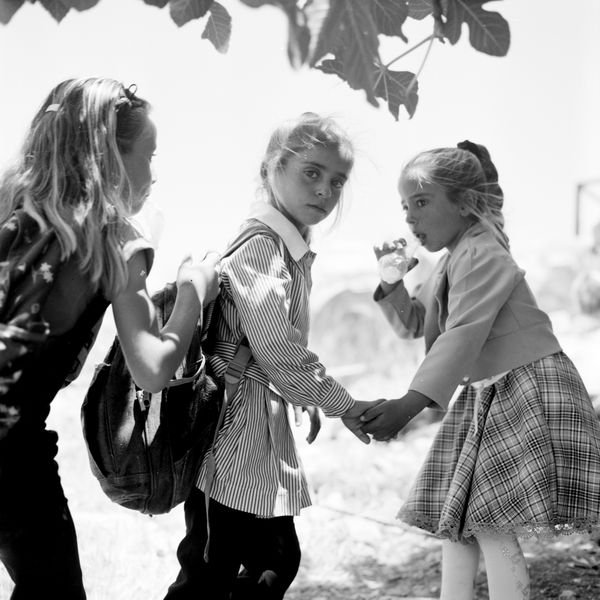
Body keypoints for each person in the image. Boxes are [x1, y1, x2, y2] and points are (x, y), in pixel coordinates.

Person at [0, 77, 220, 600]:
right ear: (109, 158)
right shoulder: (114, 235)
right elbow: (152, 367)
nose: (153, 172)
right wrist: (193, 291)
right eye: (148, 155)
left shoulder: (12, 211)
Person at [361, 141, 600, 600]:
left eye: (423, 202)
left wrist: (410, 405)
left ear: (466, 204)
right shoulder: (451, 260)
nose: (410, 217)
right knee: (461, 524)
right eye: (405, 206)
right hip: (489, 393)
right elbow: (416, 322)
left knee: (489, 522)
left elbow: (463, 333)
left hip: (525, 387)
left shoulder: (483, 252)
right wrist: (392, 281)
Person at [164, 112, 383, 600]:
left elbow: (277, 349)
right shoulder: (262, 246)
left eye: (337, 182)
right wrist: (339, 402)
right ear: (271, 168)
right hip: (230, 436)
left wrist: (297, 392)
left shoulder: (290, 250)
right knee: (211, 570)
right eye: (312, 172)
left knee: (274, 560)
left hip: (257, 433)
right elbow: (278, 350)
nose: (325, 190)